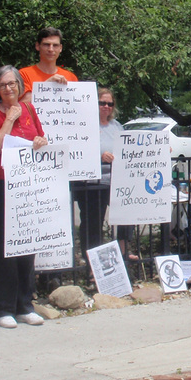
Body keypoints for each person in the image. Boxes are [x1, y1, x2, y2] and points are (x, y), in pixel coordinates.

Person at [0, 66, 48, 328]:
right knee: (5, 246)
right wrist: (9, 119)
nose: (9, 89)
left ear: (20, 86)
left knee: (27, 243)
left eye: (13, 84)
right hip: (2, 184)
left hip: (27, 184)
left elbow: (40, 138)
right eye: (3, 85)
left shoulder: (30, 110)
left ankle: (24, 304)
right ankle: (3, 307)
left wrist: (41, 141)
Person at [73, 87, 133, 265]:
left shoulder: (117, 126)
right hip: (92, 182)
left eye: (110, 103)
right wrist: (99, 156)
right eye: (102, 103)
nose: (106, 106)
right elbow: (78, 149)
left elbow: (128, 147)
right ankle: (92, 261)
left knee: (125, 217)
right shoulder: (86, 125)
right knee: (92, 223)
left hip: (115, 181)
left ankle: (123, 253)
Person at [19, 27, 78, 102]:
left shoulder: (71, 77)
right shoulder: (23, 74)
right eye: (46, 44)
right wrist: (47, 86)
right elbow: (21, 106)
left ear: (60, 48)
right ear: (37, 46)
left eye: (55, 45)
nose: (51, 49)